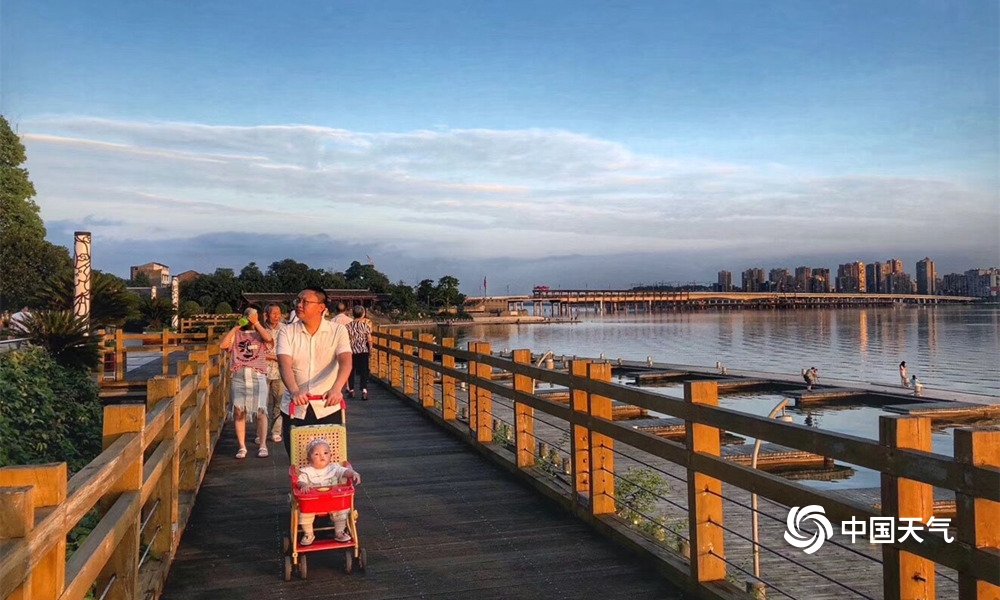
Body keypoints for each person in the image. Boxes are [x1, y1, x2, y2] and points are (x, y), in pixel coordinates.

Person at [277, 287, 353, 457]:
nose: (299, 305)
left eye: (305, 302)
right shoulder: (287, 331)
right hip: (296, 406)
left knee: (331, 461)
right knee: (298, 461)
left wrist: (337, 388)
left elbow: (346, 362)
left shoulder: (338, 331)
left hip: (327, 405)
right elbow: (284, 364)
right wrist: (294, 390)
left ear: (321, 307)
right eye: (298, 300)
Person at [220, 307, 274, 459]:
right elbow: (223, 345)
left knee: (261, 411)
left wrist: (256, 323)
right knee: (238, 411)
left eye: (253, 315)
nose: (250, 317)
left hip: (257, 375)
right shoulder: (237, 334)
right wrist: (236, 327)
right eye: (248, 315)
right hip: (239, 376)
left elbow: (268, 339)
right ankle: (242, 446)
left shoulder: (260, 333)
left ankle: (262, 444)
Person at [296, 438, 361, 545]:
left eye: (326, 453)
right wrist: (303, 484)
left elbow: (345, 471)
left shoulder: (334, 468)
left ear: (331, 455)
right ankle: (308, 533)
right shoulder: (307, 471)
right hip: (313, 502)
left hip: (333, 500)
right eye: (316, 454)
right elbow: (299, 481)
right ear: (308, 458)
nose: (322, 456)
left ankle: (339, 532)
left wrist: (353, 473)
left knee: (341, 510)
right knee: (305, 512)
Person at [262, 304, 285, 444]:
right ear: (266, 315)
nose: (276, 316)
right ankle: (261, 433)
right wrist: (272, 357)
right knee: (262, 404)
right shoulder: (260, 329)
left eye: (279, 313)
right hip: (263, 370)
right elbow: (255, 351)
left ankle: (276, 431)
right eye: (273, 313)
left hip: (280, 371)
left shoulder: (285, 329)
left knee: (279, 403)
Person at [346, 305, 374, 400]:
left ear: (353, 314)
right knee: (364, 371)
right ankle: (364, 390)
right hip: (363, 351)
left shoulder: (347, 326)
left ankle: (351, 390)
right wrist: (370, 349)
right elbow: (369, 339)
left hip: (351, 351)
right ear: (363, 314)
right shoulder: (365, 326)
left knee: (350, 370)